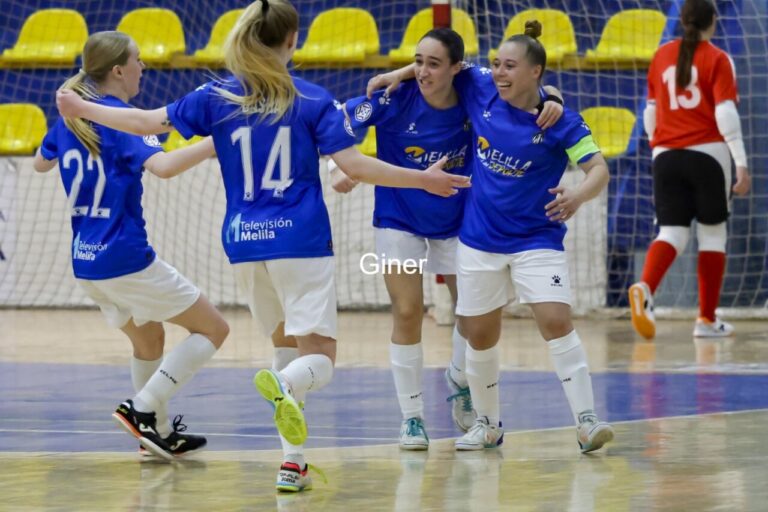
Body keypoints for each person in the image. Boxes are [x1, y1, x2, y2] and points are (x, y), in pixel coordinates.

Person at [56, 0, 468, 492]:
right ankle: (283, 397)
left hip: (244, 244)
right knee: (317, 361)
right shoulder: (310, 100)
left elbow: (148, 124)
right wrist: (423, 179)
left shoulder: (216, 96)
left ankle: (292, 461)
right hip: (300, 241)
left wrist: (80, 107)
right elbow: (356, 167)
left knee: (284, 349)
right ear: (291, 41)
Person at [370, 20, 614, 452]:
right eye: (496, 64)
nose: (499, 72)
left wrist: (577, 196)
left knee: (555, 321)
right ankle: (485, 424)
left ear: (536, 72)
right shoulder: (480, 88)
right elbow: (440, 65)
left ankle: (587, 421)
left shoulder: (559, 120)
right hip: (478, 242)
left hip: (536, 239)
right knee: (477, 334)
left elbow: (598, 169)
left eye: (510, 66)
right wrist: (397, 74)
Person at [334, 28, 564, 450]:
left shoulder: (475, 83)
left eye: (433, 64)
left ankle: (459, 379)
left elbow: (532, 83)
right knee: (407, 311)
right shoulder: (391, 98)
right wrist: (344, 167)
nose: (422, 71)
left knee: (473, 311)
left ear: (457, 68)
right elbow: (333, 124)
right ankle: (411, 419)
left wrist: (555, 97)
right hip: (398, 217)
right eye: (417, 61)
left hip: (461, 221)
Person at [34, 31, 229, 460]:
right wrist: (216, 142)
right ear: (118, 69)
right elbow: (163, 167)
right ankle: (141, 411)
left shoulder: (69, 118)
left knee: (149, 340)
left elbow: (40, 162)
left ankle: (154, 434)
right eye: (139, 60)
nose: (144, 67)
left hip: (86, 263)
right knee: (215, 329)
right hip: (125, 257)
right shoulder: (119, 119)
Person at [629, 0, 750, 340]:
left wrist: (659, 147)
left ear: (682, 21)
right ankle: (706, 320)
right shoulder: (718, 58)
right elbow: (726, 114)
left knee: (672, 233)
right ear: (713, 22)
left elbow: (650, 113)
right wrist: (740, 162)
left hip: (665, 156)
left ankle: (645, 286)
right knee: (712, 235)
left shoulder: (661, 56)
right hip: (708, 154)